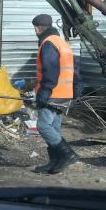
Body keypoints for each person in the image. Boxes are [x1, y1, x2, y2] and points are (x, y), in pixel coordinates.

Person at [31, 14, 79, 174]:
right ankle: (55, 162)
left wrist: (43, 93)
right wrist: (76, 90)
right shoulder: (62, 43)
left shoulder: (48, 43)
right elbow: (74, 70)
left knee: (43, 126)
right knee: (54, 128)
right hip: (65, 92)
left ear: (37, 28)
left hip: (53, 93)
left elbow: (50, 71)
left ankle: (67, 155)